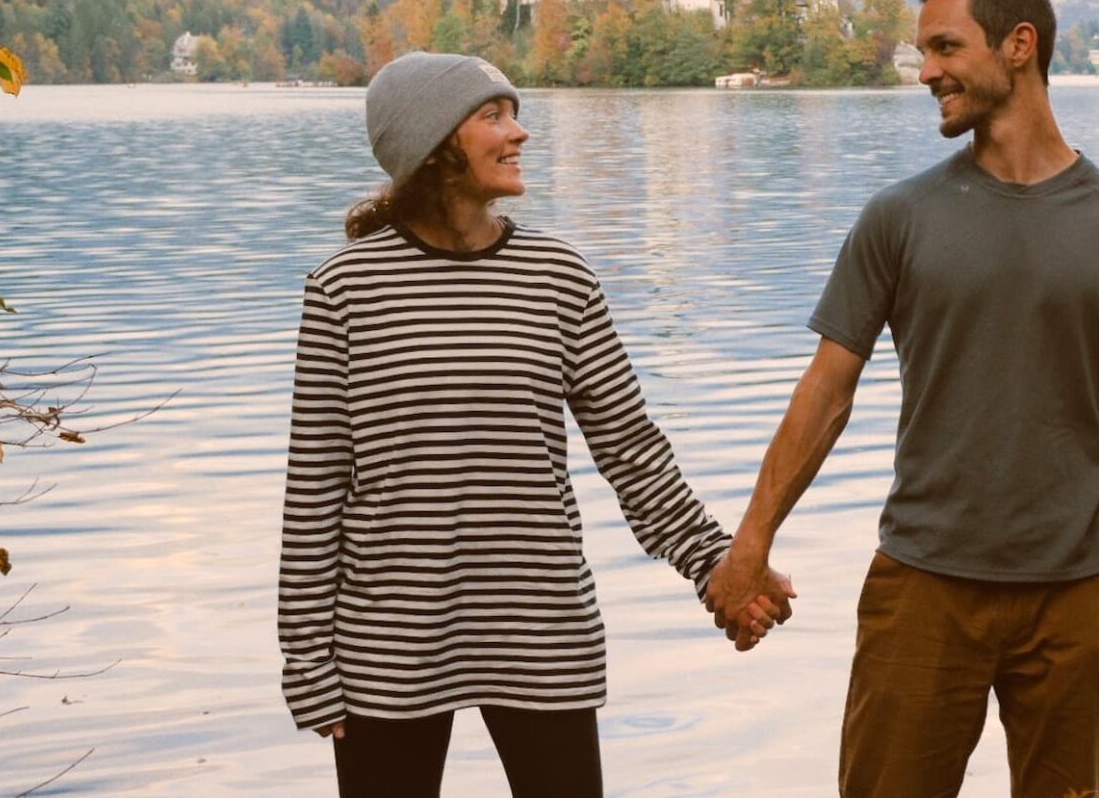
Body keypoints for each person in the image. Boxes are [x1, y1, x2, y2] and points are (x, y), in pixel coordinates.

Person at [706, 0, 1099, 797]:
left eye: (943, 47)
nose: (925, 70)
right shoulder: (899, 218)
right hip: (922, 589)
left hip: (1076, 596)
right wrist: (750, 544)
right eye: (921, 51)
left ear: (1018, 46)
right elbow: (826, 391)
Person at [278, 52, 790, 798]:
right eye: (493, 116)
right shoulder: (344, 289)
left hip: (542, 630)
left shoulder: (559, 277)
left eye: (513, 113)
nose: (519, 134)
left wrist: (718, 565)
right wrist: (307, 662)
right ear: (432, 145)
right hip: (388, 643)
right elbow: (314, 489)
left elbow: (633, 453)